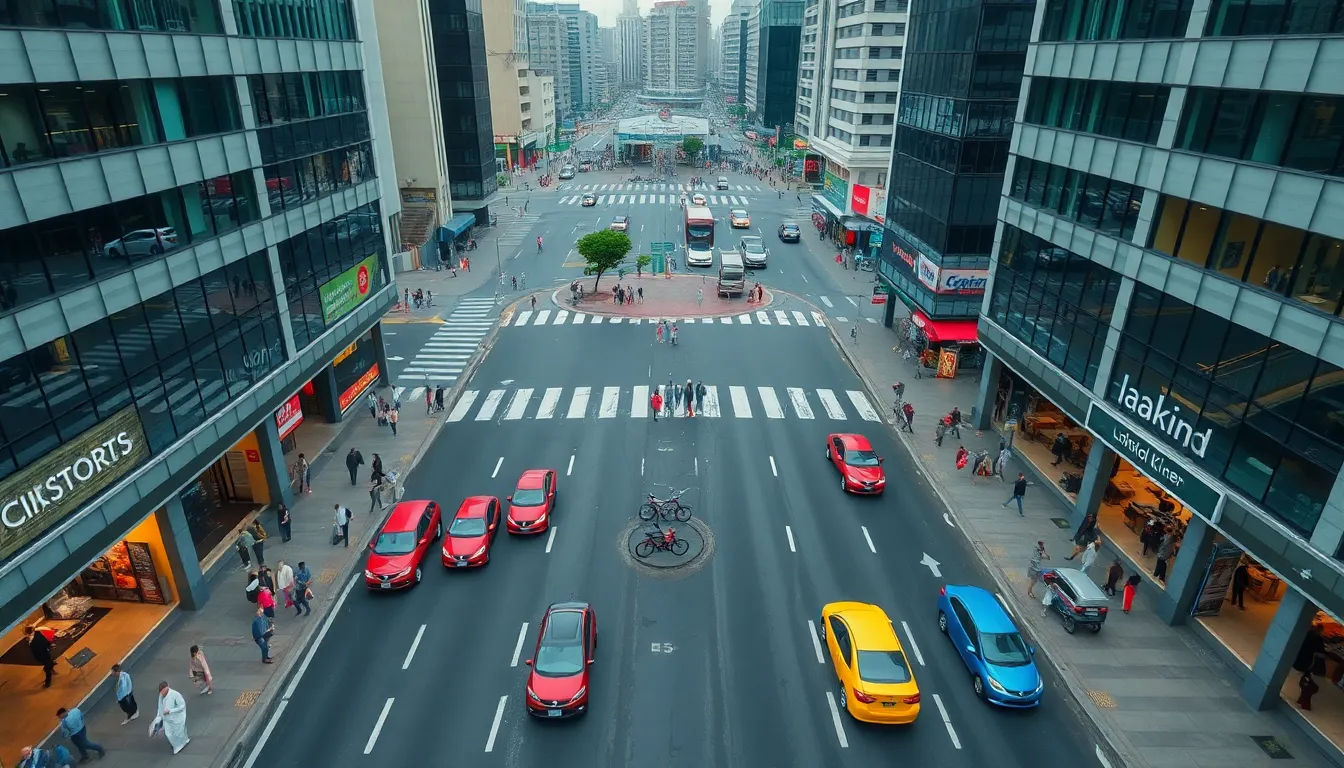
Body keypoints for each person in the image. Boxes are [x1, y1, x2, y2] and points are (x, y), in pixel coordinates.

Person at [152, 681, 189, 754]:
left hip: (176, 716)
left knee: (177, 731)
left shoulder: (175, 694)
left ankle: (179, 744)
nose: (162, 693)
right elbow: (160, 706)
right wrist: (159, 715)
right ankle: (180, 743)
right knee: (170, 733)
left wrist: (170, 711)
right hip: (167, 718)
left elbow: (182, 706)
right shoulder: (161, 696)